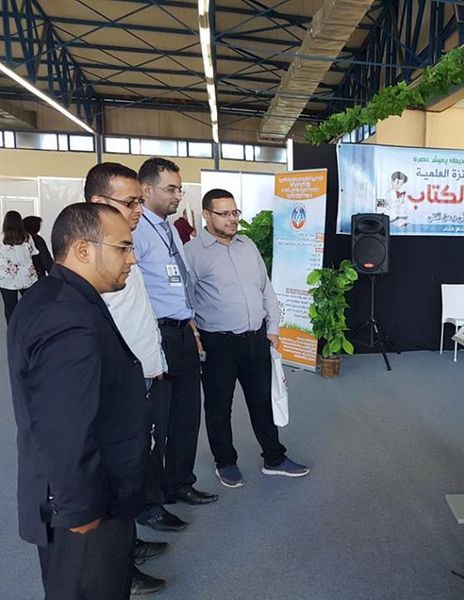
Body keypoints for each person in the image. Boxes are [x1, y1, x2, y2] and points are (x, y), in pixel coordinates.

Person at [8, 203, 148, 599]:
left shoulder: (57, 296)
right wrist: (80, 508)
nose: (132, 259)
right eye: (123, 248)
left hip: (85, 494)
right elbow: (63, 423)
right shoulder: (66, 315)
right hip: (86, 509)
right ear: (83, 249)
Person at [85, 162, 176, 595]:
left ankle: (129, 545)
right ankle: (119, 568)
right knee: (115, 477)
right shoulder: (95, 257)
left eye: (140, 201)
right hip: (121, 385)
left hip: (144, 374)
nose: (139, 209)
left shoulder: (123, 244)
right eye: (130, 202)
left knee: (133, 469)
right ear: (97, 202)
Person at [184, 188, 309, 488]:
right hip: (218, 343)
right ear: (206, 215)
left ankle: (274, 458)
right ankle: (225, 462)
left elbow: (266, 288)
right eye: (224, 213)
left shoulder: (248, 245)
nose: (232, 219)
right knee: (219, 406)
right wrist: (195, 335)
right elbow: (185, 301)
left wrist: (273, 329)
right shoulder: (192, 253)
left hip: (256, 340)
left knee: (262, 401)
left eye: (235, 212)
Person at [134, 157, 217, 529]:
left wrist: (193, 327)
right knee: (157, 422)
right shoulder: (136, 231)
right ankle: (150, 504)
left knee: (186, 415)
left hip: (183, 331)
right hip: (156, 334)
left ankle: (179, 483)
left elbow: (178, 284)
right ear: (146, 189)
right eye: (170, 189)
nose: (177, 195)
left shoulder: (170, 229)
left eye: (179, 189)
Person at [0, 210, 39, 322]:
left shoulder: (1, 238)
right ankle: (29, 327)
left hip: (6, 278)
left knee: (10, 307)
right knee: (30, 305)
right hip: (27, 276)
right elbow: (34, 253)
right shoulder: (27, 237)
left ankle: (13, 329)